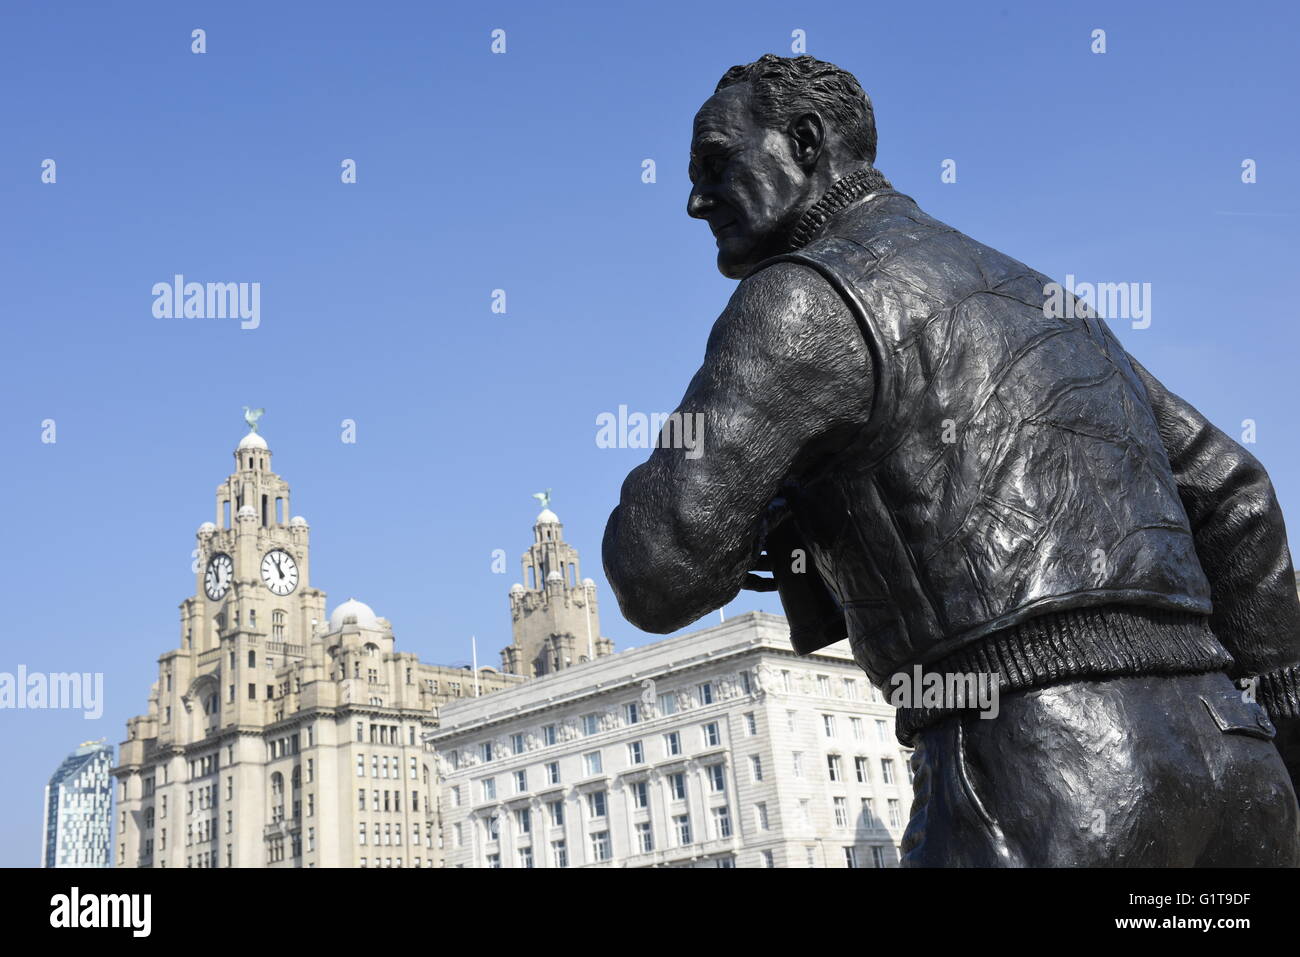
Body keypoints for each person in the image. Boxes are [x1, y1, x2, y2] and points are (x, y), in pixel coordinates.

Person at [602, 54, 1300, 865]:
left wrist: (759, 502)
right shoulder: (1033, 291)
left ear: (804, 142)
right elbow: (1234, 489)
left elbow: (656, 567)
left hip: (1039, 781)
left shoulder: (801, 295)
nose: (695, 201)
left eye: (717, 164)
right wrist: (1279, 722)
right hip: (1236, 773)